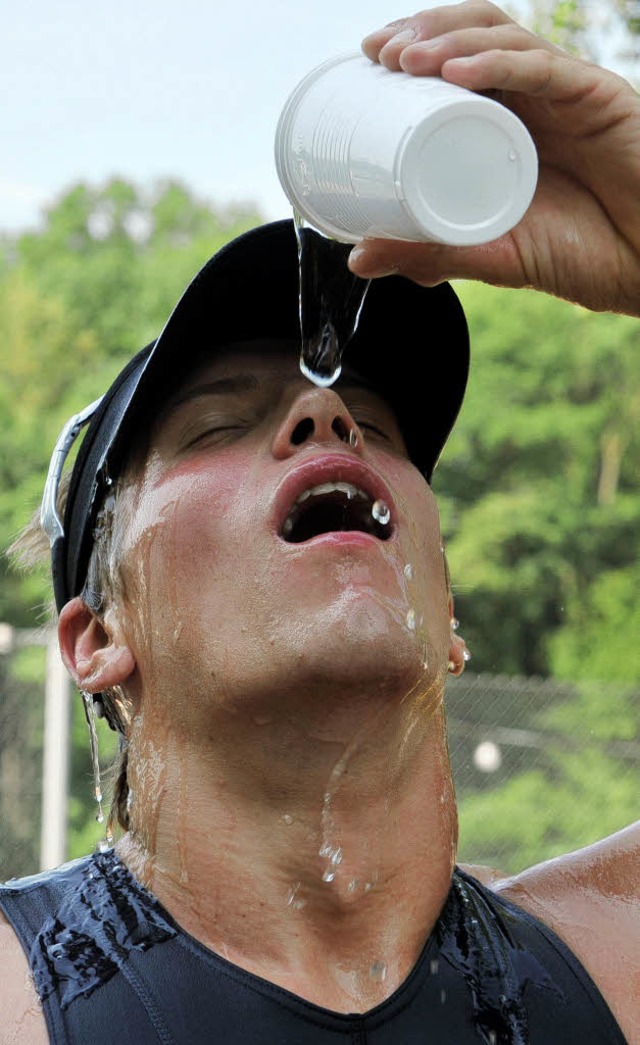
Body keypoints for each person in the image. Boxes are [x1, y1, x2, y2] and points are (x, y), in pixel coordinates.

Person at [1, 2, 638, 1041]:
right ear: (97, 638)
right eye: (215, 427)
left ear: (448, 620)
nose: (325, 411)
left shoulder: (610, 965)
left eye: (375, 426)